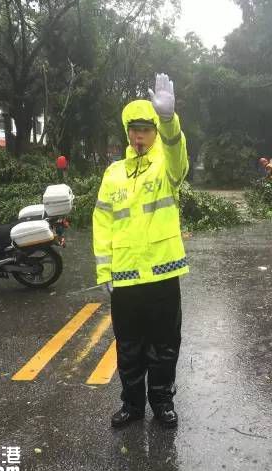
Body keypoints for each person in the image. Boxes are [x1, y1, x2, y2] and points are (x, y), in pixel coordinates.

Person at [92, 73, 189, 429]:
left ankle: (162, 402)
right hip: (126, 279)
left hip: (163, 275)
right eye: (134, 129)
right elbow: (102, 224)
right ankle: (132, 406)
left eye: (146, 129)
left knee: (165, 347)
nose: (139, 136)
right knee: (129, 349)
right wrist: (105, 271)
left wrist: (168, 120)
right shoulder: (113, 174)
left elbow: (179, 157)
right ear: (127, 132)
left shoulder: (166, 165)